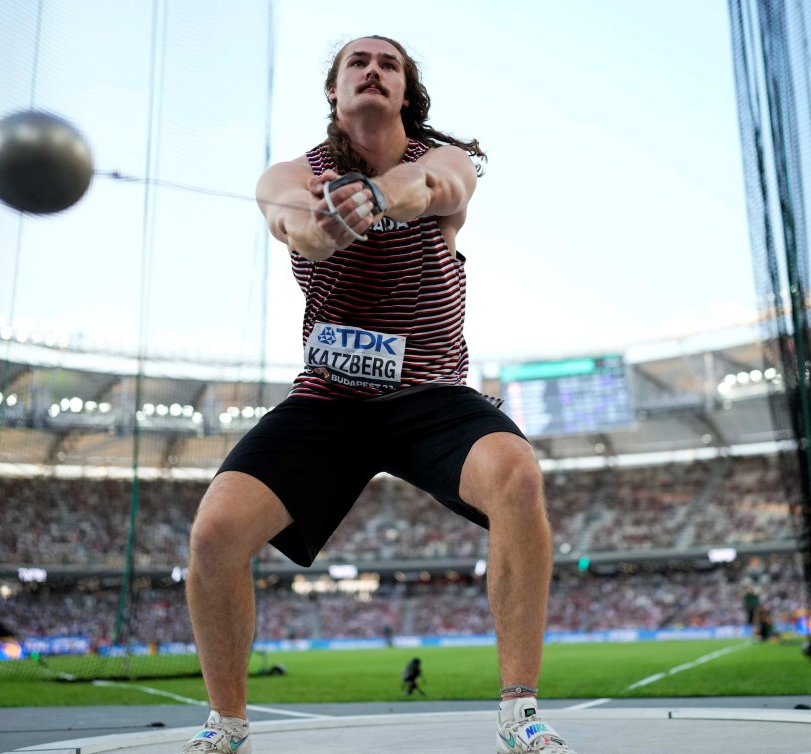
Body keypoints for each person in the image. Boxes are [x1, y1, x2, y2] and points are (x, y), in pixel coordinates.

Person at [180, 35, 577, 754]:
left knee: (517, 474)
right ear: (334, 93)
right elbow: (287, 220)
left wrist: (376, 198)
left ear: (404, 94)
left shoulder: (442, 160)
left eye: (388, 64)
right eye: (356, 63)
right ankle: (227, 724)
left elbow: (432, 190)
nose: (372, 70)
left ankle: (520, 712)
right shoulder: (294, 172)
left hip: (429, 395)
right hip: (328, 400)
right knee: (213, 535)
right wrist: (318, 226)